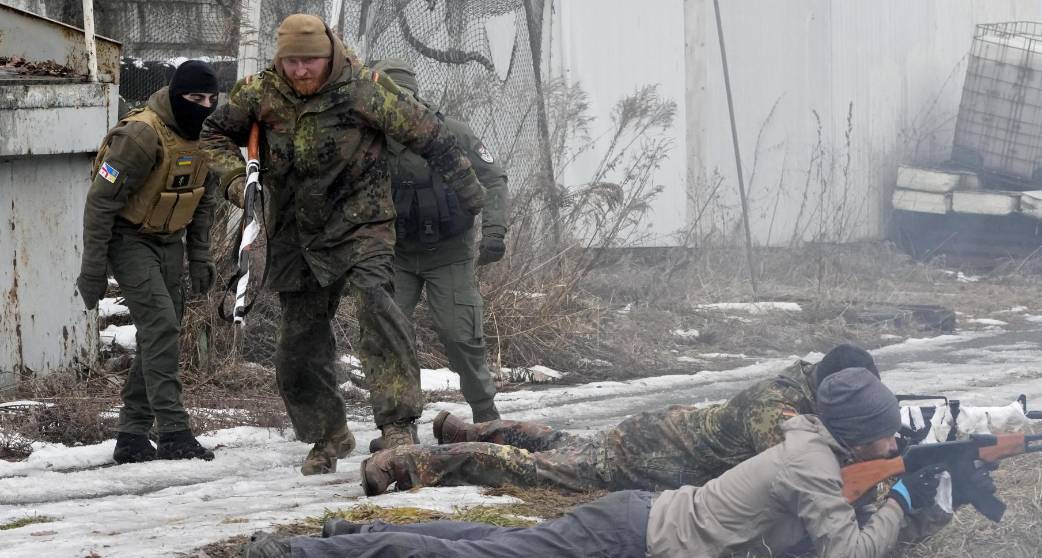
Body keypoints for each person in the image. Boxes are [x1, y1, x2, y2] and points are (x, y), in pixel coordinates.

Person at [237, 368, 952, 558]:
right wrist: (906, 497)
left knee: (485, 540)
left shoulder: (817, 446)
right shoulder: (810, 462)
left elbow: (828, 517)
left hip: (637, 517)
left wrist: (902, 484)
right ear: (858, 433)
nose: (893, 440)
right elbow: (851, 554)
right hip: (630, 537)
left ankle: (351, 533)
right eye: (887, 431)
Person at [199, 15, 486, 475]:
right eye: (291, 61)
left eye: (309, 60)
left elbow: (431, 136)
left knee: (377, 305)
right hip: (294, 231)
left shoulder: (366, 89)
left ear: (329, 54)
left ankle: (397, 424)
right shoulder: (260, 92)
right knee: (297, 342)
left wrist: (471, 194)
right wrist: (237, 180)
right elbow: (213, 134)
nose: (300, 71)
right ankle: (327, 434)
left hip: (361, 224)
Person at [359, 343, 879, 493]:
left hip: (656, 434)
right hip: (648, 455)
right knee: (529, 467)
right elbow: (799, 475)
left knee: (556, 440)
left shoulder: (797, 385)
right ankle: (406, 461)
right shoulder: (779, 409)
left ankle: (458, 428)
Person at [76, 60, 220, 464]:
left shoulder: (205, 136)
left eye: (212, 99)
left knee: (161, 334)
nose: (205, 106)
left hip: (169, 241)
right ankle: (173, 431)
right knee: (161, 326)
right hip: (129, 239)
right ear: (177, 95)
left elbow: (203, 199)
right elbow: (100, 203)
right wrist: (93, 271)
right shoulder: (141, 135)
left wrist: (200, 256)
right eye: (195, 98)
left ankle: (132, 434)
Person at [372, 58, 508, 444]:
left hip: (450, 251)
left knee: (460, 334)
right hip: (395, 253)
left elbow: (494, 180)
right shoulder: (371, 141)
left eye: (404, 95)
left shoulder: (452, 133)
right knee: (389, 337)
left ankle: (485, 415)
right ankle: (398, 427)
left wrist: (495, 232)